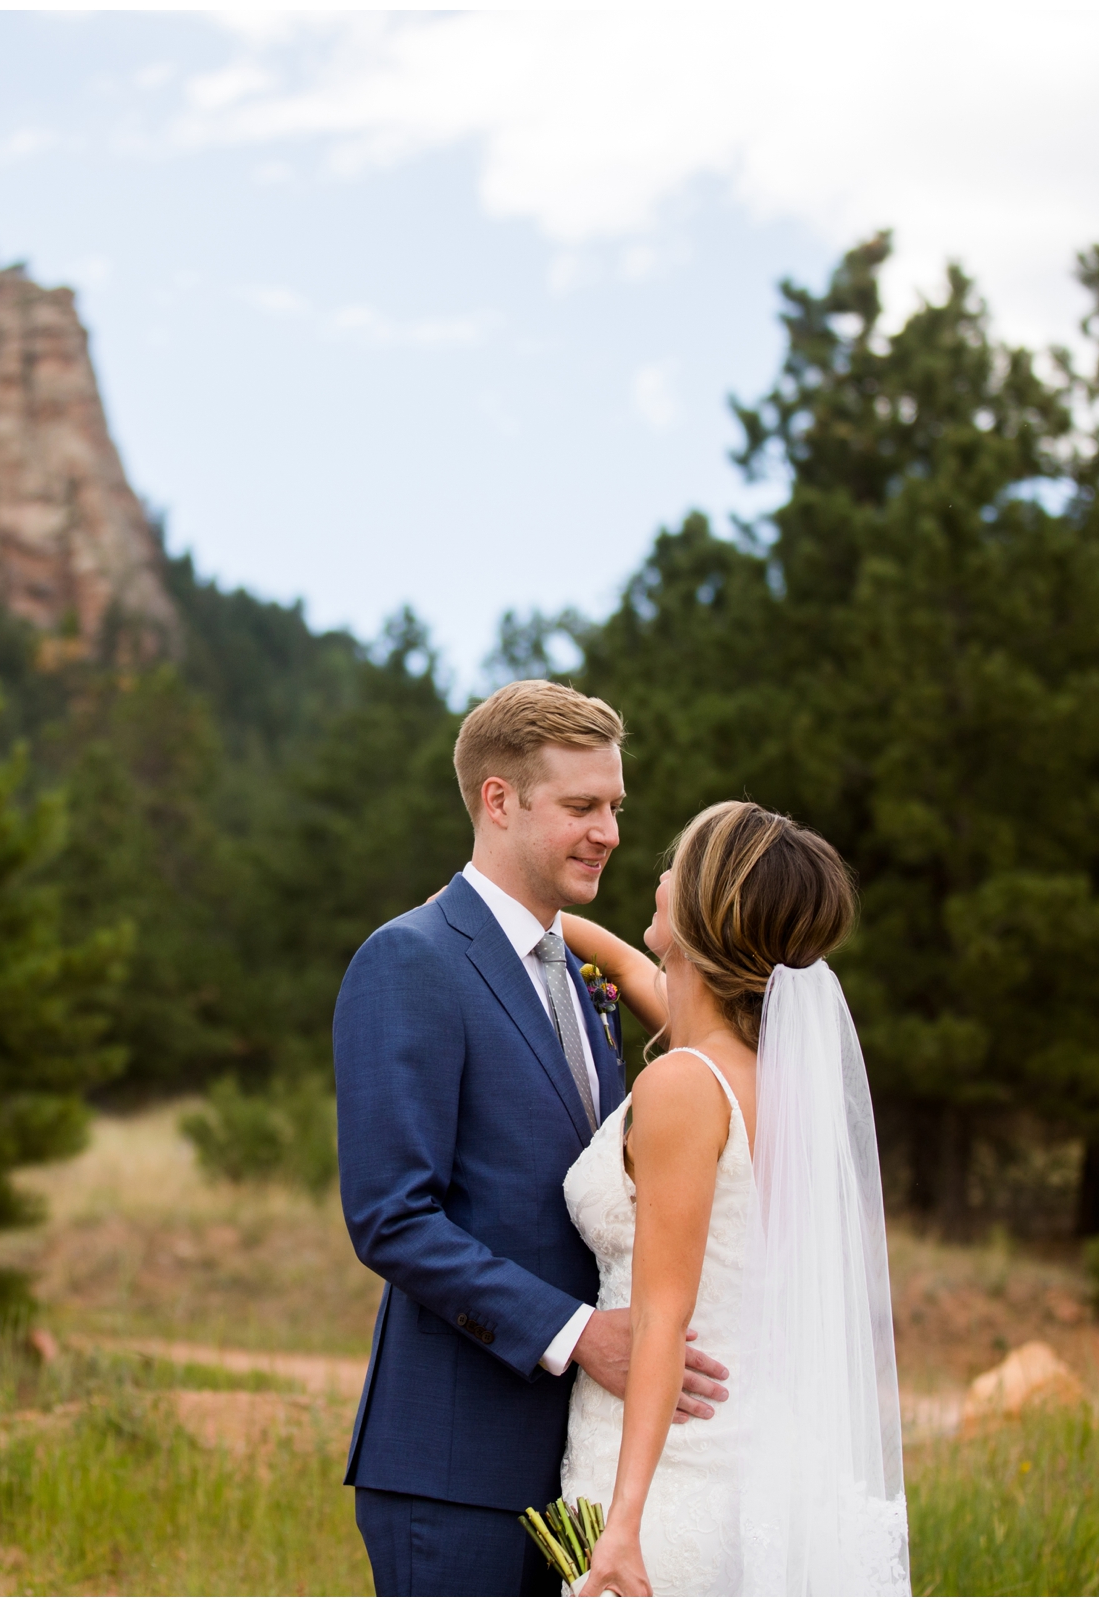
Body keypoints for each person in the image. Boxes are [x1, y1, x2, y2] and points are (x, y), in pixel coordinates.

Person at [334, 681, 730, 1597]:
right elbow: (392, 1217)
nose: (610, 833)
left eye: (616, 807)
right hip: (456, 1469)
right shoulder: (410, 960)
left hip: (582, 1467)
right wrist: (581, 1333)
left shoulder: (579, 975)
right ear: (499, 799)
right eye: (582, 807)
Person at [560, 800, 909, 1596]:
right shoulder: (769, 1073)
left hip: (666, 1485)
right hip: (745, 1461)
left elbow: (661, 1318)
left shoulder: (683, 1082)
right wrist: (541, 921)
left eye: (679, 860)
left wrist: (623, 1525)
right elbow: (655, 984)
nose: (658, 868)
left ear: (708, 908)